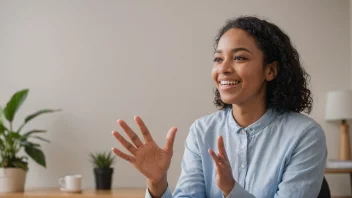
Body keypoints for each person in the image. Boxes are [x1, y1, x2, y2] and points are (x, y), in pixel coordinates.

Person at [111, 16, 327, 198]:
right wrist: (157, 184)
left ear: (270, 71)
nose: (223, 68)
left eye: (239, 58)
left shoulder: (305, 135)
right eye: (218, 59)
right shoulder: (202, 131)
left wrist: (232, 190)